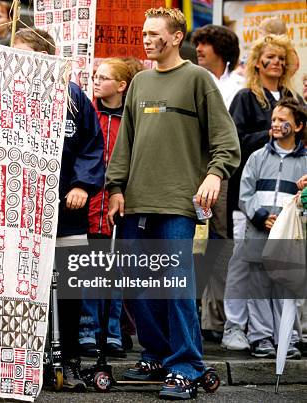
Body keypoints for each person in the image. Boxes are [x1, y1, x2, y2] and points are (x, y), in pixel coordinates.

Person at [106, 8, 240, 400]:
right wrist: (116, 187)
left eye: (154, 34)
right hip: (135, 202)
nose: (146, 39)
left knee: (176, 286)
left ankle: (185, 366)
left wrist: (215, 174)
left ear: (176, 37)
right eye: (144, 33)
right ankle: (157, 355)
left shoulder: (198, 80)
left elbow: (226, 142)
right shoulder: (140, 82)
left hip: (180, 204)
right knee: (137, 286)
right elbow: (125, 142)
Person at [12, 27, 105, 392]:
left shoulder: (73, 96)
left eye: (25, 53)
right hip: (23, 210)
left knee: (69, 288)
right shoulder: (7, 94)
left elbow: (91, 145)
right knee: (25, 286)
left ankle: (69, 358)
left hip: (68, 210)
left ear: (46, 56)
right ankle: (28, 358)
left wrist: (82, 184)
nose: (19, 60)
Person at [224, 33, 301, 351]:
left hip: (285, 197)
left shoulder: (292, 97)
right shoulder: (246, 97)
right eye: (270, 57)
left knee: (281, 266)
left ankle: (279, 331)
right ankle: (235, 325)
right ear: (258, 61)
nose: (277, 63)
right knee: (243, 262)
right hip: (251, 188)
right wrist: (266, 135)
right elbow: (234, 139)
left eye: (282, 58)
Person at [82, 57, 143, 359]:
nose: (95, 81)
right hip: (89, 204)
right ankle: (88, 331)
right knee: (89, 269)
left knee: (116, 272)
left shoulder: (130, 118)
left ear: (121, 85)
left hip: (119, 205)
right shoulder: (87, 112)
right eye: (94, 75)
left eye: (103, 77)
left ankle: (112, 332)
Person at [238, 97, 306, 359]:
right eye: (274, 120)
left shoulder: (305, 162)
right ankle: (261, 337)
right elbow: (246, 193)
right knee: (258, 286)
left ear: (298, 126)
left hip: (288, 237)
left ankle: (286, 337)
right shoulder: (257, 157)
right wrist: (261, 216)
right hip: (259, 233)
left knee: (286, 286)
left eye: (283, 120)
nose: (275, 125)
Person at [190, 23, 244, 344]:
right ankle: (196, 309)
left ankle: (214, 315)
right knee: (195, 239)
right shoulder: (192, 78)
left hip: (223, 173)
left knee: (219, 240)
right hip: (194, 168)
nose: (198, 50)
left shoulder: (237, 86)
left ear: (221, 50)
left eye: (205, 44)